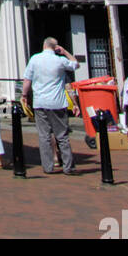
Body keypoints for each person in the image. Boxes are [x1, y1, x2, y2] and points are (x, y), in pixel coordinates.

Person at [22, 37, 79, 175]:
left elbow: (27, 80)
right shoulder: (59, 60)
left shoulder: (35, 59)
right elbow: (76, 64)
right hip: (58, 103)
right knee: (62, 136)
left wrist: (24, 95)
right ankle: (68, 167)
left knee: (44, 136)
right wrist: (65, 52)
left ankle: (48, 166)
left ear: (44, 45)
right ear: (55, 47)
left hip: (40, 102)